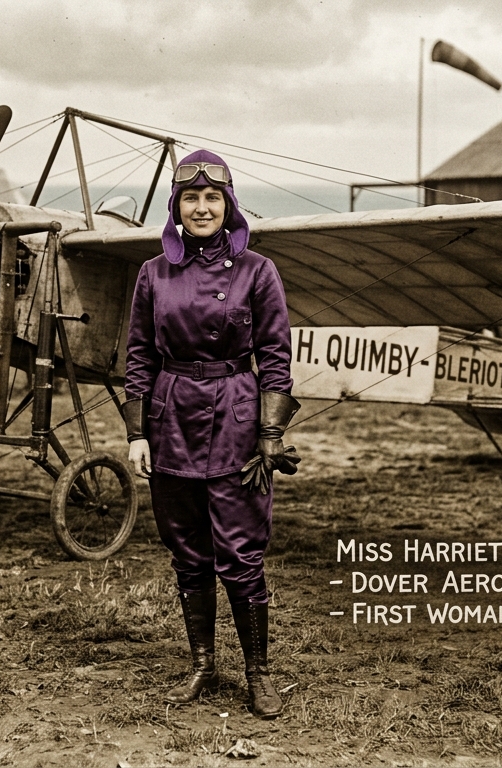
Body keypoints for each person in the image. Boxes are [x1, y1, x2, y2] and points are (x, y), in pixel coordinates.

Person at [123, 151, 299, 719]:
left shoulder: (258, 271)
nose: (201, 208)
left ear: (229, 206)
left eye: (212, 199)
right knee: (187, 554)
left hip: (237, 419)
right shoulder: (153, 273)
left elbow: (274, 356)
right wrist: (137, 434)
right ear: (176, 208)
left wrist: (270, 434)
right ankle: (203, 664)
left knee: (242, 555)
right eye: (190, 199)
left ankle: (259, 674)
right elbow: (139, 358)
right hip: (171, 419)